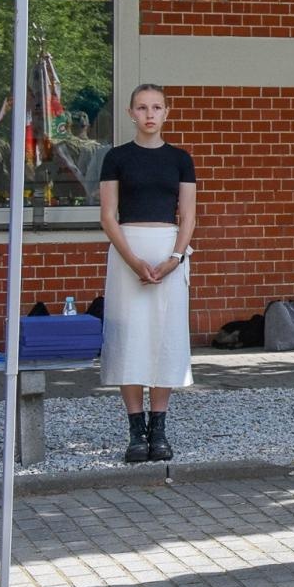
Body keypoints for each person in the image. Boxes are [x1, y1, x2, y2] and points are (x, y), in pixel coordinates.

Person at [98, 84, 197, 466]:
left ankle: (160, 427)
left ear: (167, 112)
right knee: (130, 337)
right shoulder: (116, 157)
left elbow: (188, 214)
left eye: (156, 107)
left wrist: (174, 257)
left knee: (164, 337)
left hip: (168, 249)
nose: (149, 114)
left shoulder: (180, 159)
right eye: (142, 107)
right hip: (128, 249)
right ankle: (135, 429)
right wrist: (132, 260)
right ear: (130, 112)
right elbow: (108, 215)